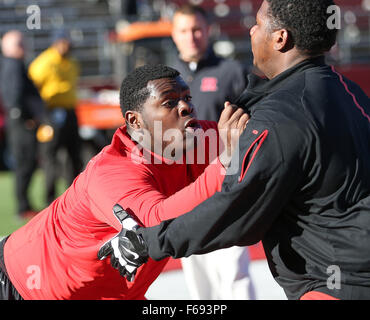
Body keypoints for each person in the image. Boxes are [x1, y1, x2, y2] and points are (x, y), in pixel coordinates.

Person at [104, 0, 370, 300]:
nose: (252, 30)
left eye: (258, 22)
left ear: (280, 38)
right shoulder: (352, 93)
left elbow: (237, 209)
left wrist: (147, 242)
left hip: (335, 284)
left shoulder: (279, 115)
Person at [0, 64, 248, 300]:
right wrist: (226, 162)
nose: (185, 107)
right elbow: (157, 224)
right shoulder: (112, 171)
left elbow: (259, 135)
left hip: (108, 290)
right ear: (135, 121)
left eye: (187, 98)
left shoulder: (193, 139)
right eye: (169, 102)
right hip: (24, 285)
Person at [170, 3, 254, 300]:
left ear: (208, 31)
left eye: (196, 29)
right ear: (173, 35)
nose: (191, 36)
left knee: (234, 268)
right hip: (182, 191)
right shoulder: (164, 78)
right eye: (184, 30)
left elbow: (251, 123)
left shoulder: (231, 72)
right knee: (197, 275)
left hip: (224, 184)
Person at [28, 29, 83, 205]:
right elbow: (31, 89)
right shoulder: (44, 62)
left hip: (70, 112)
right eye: (65, 42)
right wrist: (38, 114)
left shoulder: (72, 62)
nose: (68, 46)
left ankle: (73, 197)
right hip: (51, 113)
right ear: (57, 42)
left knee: (74, 155)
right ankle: (49, 200)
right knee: (50, 156)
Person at [0, 30, 45, 219]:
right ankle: (22, 206)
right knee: (24, 164)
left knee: (27, 163)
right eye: (20, 44)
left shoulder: (14, 65)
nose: (24, 47)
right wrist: (24, 117)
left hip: (21, 121)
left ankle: (25, 204)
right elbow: (13, 95)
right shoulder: (12, 65)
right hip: (21, 124)